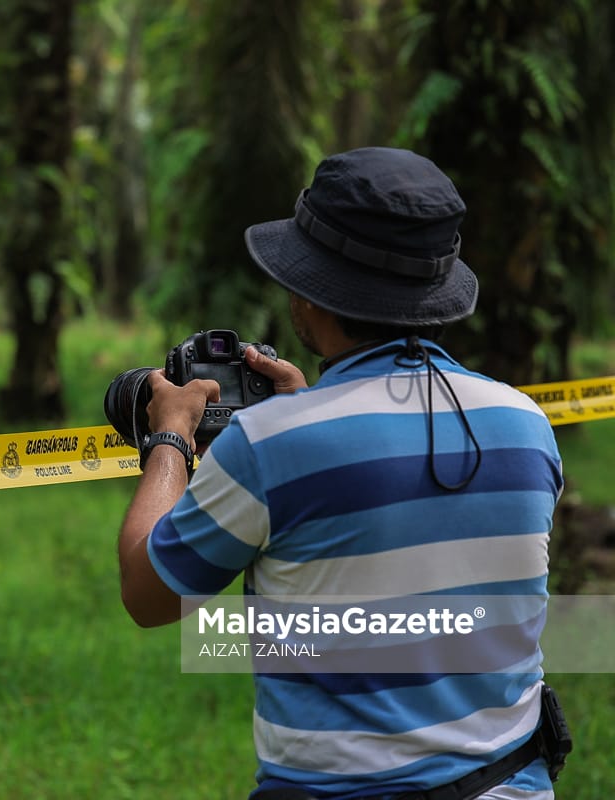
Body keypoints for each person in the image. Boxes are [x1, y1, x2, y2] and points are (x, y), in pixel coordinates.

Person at [117, 147, 566, 799]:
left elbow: (148, 594)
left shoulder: (268, 444)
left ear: (309, 290)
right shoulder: (526, 422)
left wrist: (169, 437)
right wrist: (307, 410)